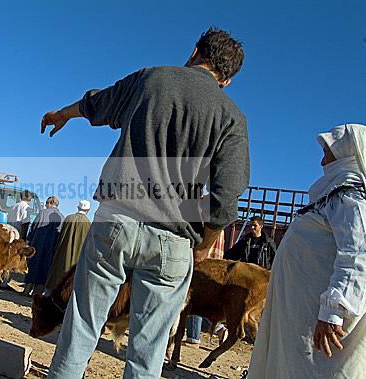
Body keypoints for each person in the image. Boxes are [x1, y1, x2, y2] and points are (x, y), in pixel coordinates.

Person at [41, 27, 248, 378]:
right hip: (176, 240)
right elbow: (225, 201)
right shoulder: (232, 119)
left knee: (83, 327)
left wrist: (64, 113)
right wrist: (203, 246)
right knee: (148, 351)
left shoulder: (151, 79)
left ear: (195, 50)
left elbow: (100, 102)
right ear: (226, 80)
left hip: (117, 220)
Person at [247, 124, 366, 378]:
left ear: (347, 153)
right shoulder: (332, 194)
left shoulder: (352, 197)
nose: (322, 159)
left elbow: (358, 254)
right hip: (301, 313)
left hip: (320, 321)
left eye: (328, 152)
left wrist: (335, 310)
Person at [185, 230, 226, 348]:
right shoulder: (221, 227)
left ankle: (193, 337)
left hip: (202, 264)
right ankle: (219, 328)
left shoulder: (207, 223)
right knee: (203, 302)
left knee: (193, 298)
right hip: (215, 268)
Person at [45, 200, 92, 291]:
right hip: (77, 258)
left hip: (63, 254)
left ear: (78, 207)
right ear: (88, 210)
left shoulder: (68, 218)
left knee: (57, 276)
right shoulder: (88, 223)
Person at [23, 196, 65, 296]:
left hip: (37, 244)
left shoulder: (42, 213)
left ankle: (27, 289)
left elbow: (33, 227)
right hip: (51, 248)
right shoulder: (62, 217)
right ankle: (37, 292)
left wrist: (29, 240)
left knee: (33, 266)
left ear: (49, 203)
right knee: (45, 269)